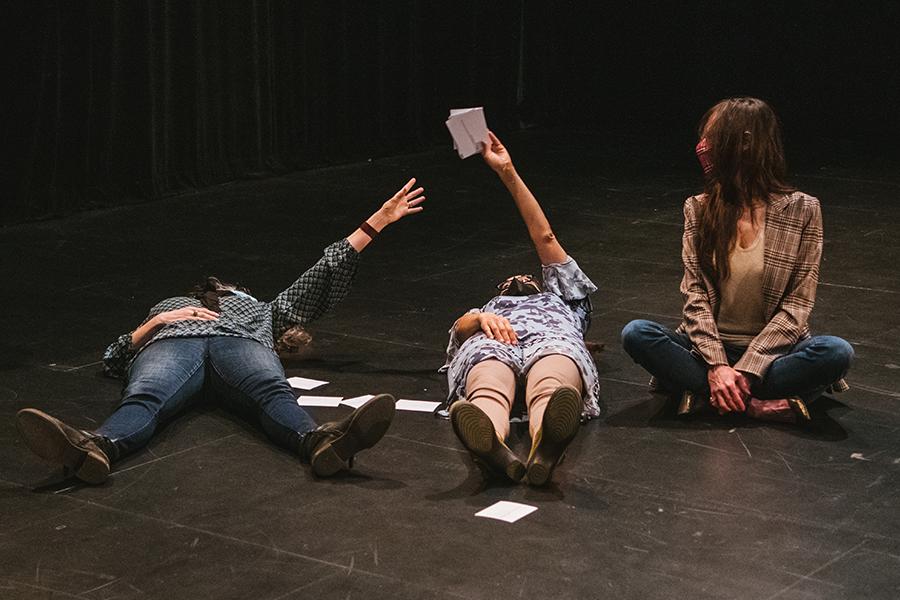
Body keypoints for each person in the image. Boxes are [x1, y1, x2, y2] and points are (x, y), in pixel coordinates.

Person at [16, 179, 426, 483]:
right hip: (173, 344)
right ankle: (94, 448)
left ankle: (322, 442)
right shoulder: (168, 308)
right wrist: (157, 323)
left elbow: (319, 277)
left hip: (241, 344)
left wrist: (375, 223)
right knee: (145, 397)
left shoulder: (261, 309)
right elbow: (115, 356)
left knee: (271, 391)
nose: (222, 288)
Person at [621, 97, 852, 423]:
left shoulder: (803, 209)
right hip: (706, 351)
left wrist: (746, 370)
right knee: (637, 333)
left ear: (744, 144)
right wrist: (717, 366)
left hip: (774, 355)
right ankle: (764, 406)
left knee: (836, 353)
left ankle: (708, 397)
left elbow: (798, 306)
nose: (703, 147)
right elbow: (695, 296)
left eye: (712, 138)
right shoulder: (698, 208)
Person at [442, 132, 601, 486]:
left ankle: (547, 440)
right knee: (488, 385)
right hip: (495, 341)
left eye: (527, 275)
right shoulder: (489, 308)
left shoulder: (565, 299)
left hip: (554, 339)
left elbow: (544, 237)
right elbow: (459, 331)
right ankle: (491, 443)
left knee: (552, 382)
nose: (518, 278)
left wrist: (508, 172)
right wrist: (480, 318)